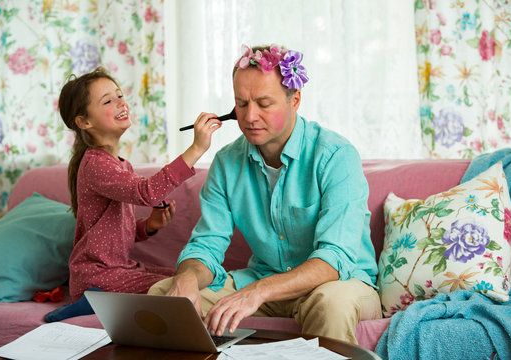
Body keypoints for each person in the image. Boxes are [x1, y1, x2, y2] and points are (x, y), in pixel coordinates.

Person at [148, 44, 381, 343]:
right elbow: (206, 245)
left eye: (263, 103)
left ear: (294, 100)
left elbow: (334, 258)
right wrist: (186, 278)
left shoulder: (336, 155)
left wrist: (258, 292)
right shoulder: (226, 162)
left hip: (340, 284)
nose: (250, 116)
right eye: (241, 104)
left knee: (330, 303)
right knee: (164, 295)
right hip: (263, 280)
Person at [45, 66, 221, 322]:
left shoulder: (119, 164)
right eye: (108, 100)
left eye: (119, 95)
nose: (120, 102)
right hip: (98, 276)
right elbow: (147, 192)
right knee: (177, 287)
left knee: (185, 279)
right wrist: (197, 148)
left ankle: (94, 299)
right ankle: (92, 300)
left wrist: (148, 225)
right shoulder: (96, 163)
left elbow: (110, 234)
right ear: (84, 122)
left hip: (115, 270)